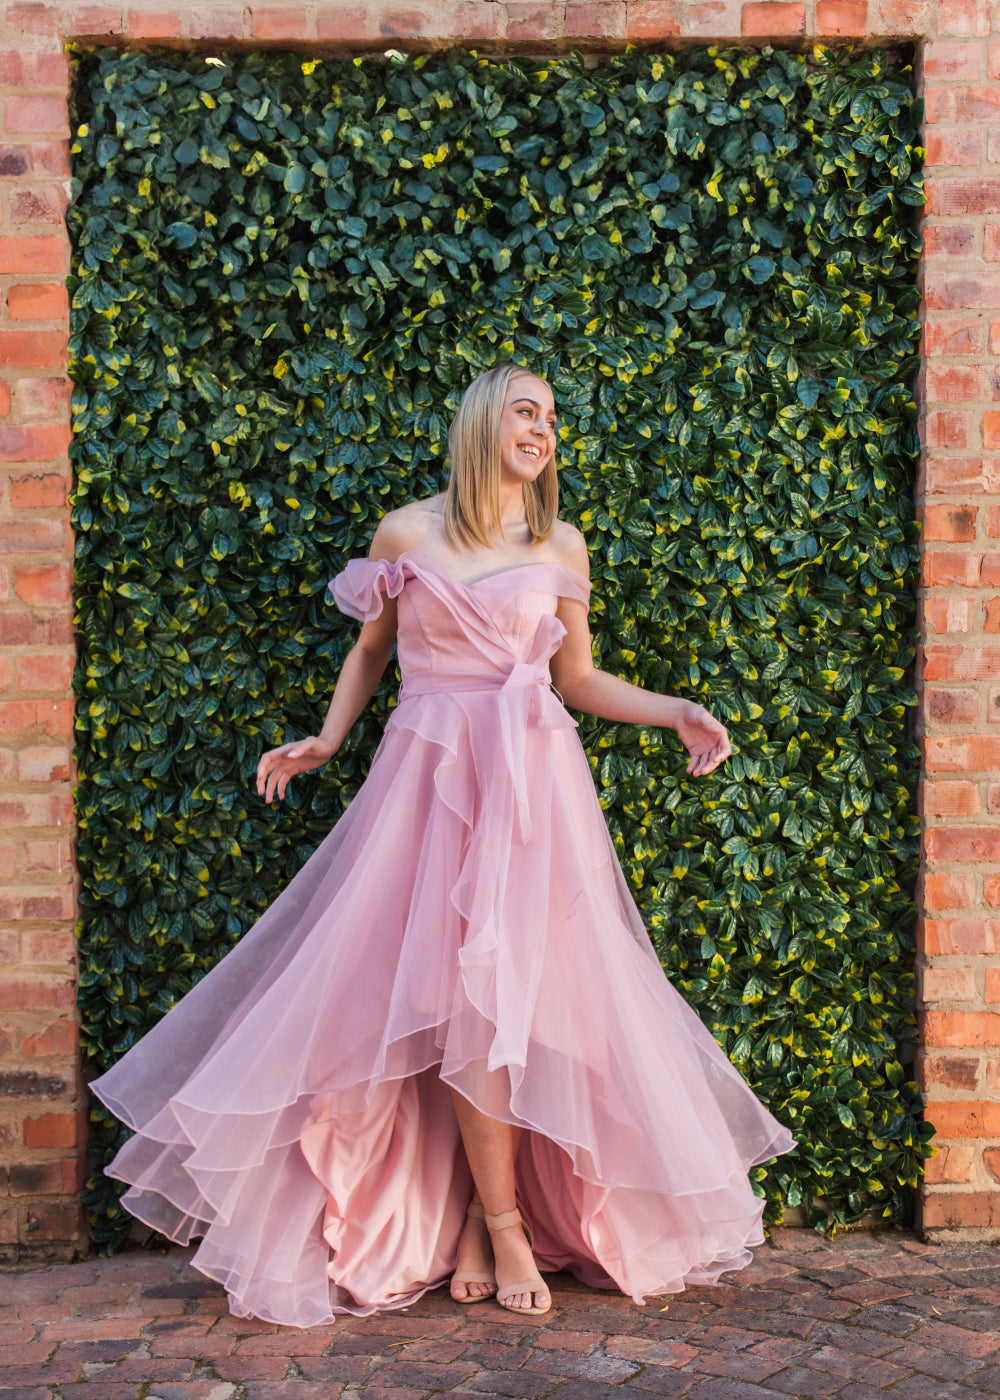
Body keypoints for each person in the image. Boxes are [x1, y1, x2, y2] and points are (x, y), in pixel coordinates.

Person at [88, 361, 797, 1329]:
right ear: (480, 422)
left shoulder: (561, 541)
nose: (544, 427)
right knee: (438, 1001)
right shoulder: (406, 532)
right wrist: (326, 738)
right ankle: (492, 1219)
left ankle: (487, 1213)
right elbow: (371, 648)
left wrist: (675, 709)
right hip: (425, 779)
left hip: (532, 787)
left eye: (553, 414)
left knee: (516, 1003)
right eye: (526, 409)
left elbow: (578, 675)